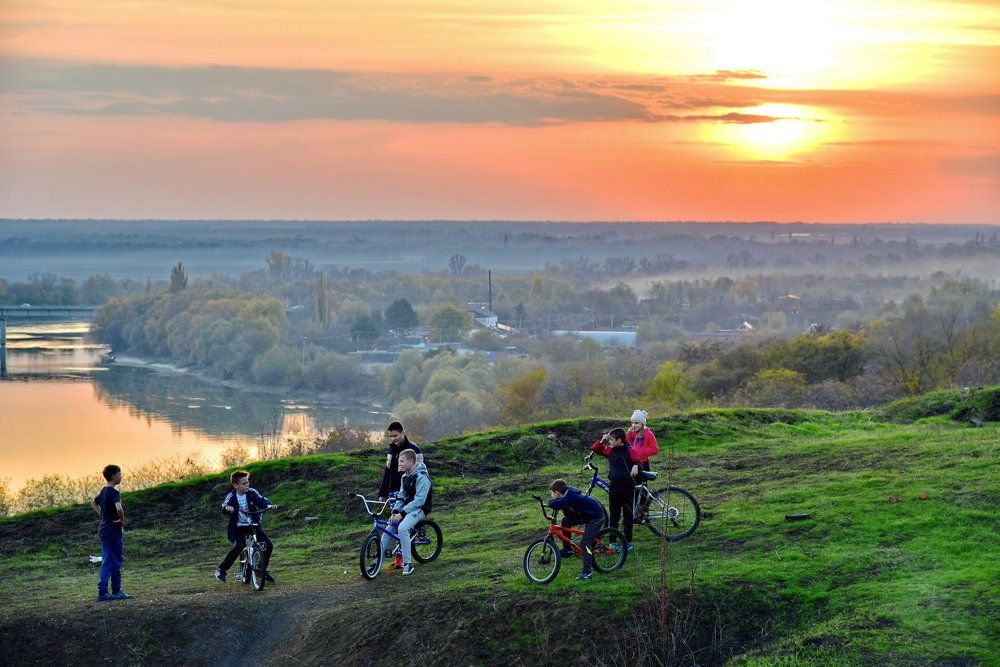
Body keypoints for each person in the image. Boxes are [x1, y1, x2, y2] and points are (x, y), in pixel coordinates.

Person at [215, 470, 277, 583]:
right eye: (244, 484)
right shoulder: (232, 496)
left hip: (253, 525)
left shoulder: (251, 492)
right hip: (239, 527)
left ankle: (261, 569)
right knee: (239, 546)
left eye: (248, 482)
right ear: (235, 485)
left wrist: (269, 505)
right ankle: (221, 570)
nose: (247, 485)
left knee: (268, 545)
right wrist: (227, 508)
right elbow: (224, 505)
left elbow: (261, 500)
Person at [378, 421, 424, 568]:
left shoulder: (414, 449)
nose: (393, 439)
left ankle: (403, 558)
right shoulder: (391, 450)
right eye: (390, 436)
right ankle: (398, 558)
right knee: (395, 521)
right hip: (394, 491)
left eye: (395, 435)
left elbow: (421, 472)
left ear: (403, 432)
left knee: (401, 524)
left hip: (410, 492)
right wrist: (383, 492)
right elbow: (387, 471)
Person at [380, 449, 432, 576]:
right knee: (389, 528)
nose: (400, 464)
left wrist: (402, 514)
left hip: (420, 508)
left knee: (403, 528)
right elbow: (401, 496)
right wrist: (395, 511)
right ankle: (377, 563)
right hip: (407, 507)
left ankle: (408, 564)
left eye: (402, 461)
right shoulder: (405, 477)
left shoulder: (422, 477)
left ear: (411, 461)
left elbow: (419, 501)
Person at [590, 428, 638, 553]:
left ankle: (628, 542)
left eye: (611, 439)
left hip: (628, 487)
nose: (609, 442)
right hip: (615, 487)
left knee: (628, 515)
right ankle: (612, 542)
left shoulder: (630, 451)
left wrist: (636, 465)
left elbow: (639, 462)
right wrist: (603, 439)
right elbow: (595, 448)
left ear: (619, 440)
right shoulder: (610, 450)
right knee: (614, 515)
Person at [547, 479, 605, 581]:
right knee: (565, 521)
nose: (551, 495)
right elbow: (563, 507)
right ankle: (567, 549)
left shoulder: (570, 497)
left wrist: (552, 502)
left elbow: (555, 504)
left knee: (585, 544)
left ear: (557, 493)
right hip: (586, 514)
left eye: (552, 493)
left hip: (596, 516)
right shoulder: (565, 496)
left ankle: (587, 573)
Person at [91, 464, 133, 601]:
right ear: (113, 476)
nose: (121, 476)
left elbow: (93, 503)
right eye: (120, 474)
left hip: (104, 530)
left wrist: (103, 515)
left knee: (113, 559)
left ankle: (116, 590)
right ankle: (102, 592)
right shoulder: (114, 493)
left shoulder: (103, 491)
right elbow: (119, 508)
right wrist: (121, 520)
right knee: (110, 560)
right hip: (113, 531)